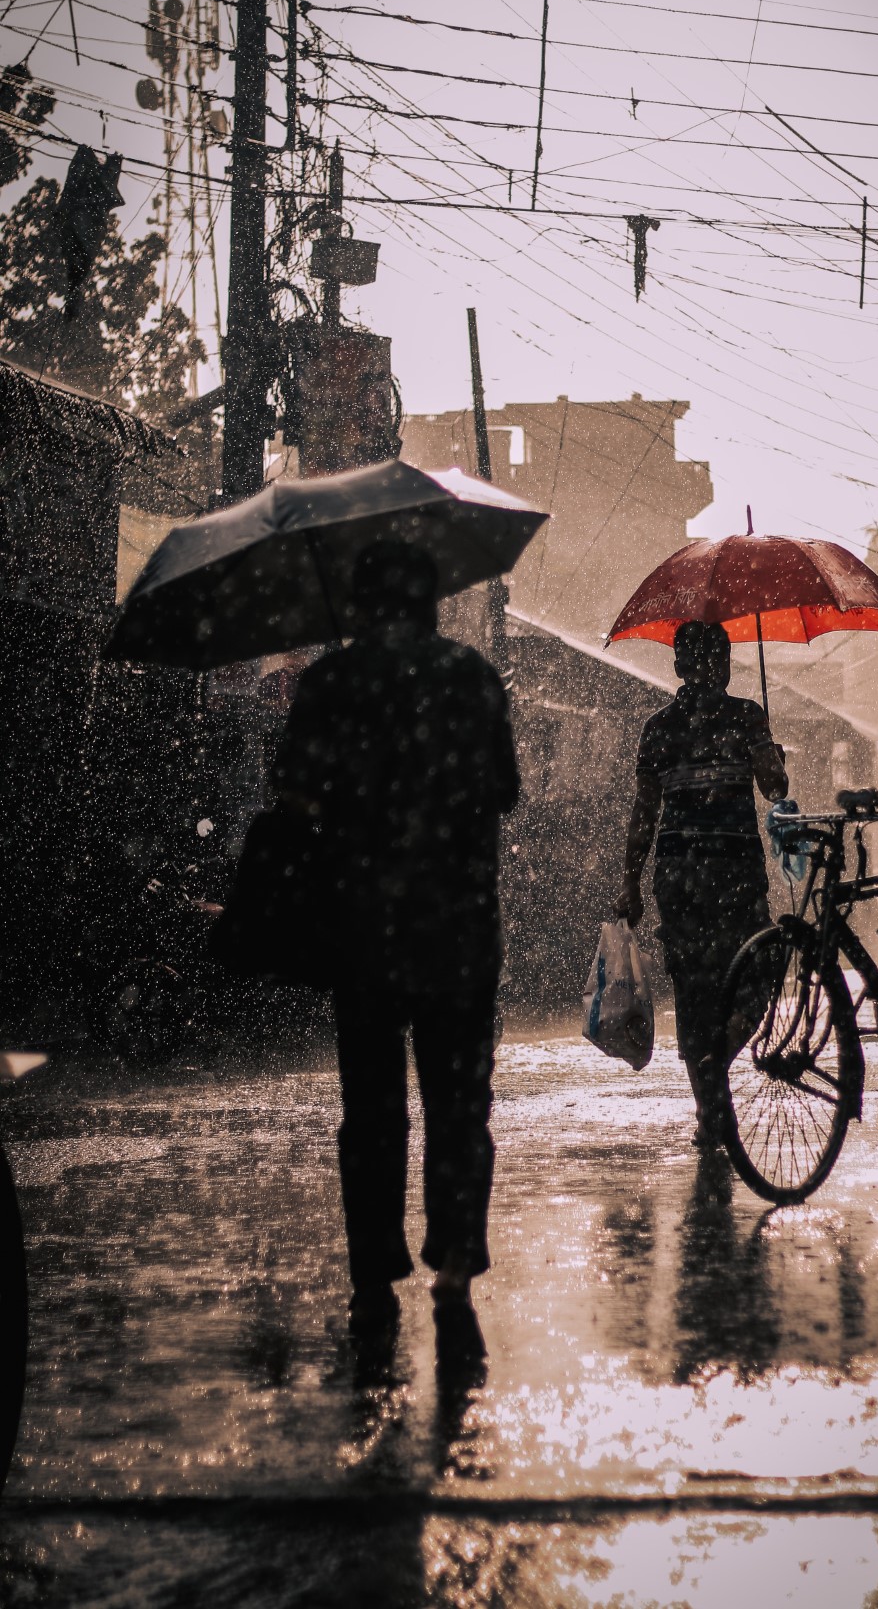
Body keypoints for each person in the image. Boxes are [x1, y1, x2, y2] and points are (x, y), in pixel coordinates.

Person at [273, 540, 520, 1337]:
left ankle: (374, 1264)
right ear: (430, 600)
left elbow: (296, 798)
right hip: (458, 928)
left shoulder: (329, 683)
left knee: (372, 1108)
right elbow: (506, 792)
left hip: (363, 929)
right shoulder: (473, 678)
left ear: (363, 601)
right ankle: (453, 1259)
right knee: (458, 1104)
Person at [616, 620, 788, 1145]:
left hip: (678, 876)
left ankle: (711, 1107)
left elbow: (644, 814)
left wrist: (631, 882)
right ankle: (717, 1072)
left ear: (678, 666)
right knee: (757, 977)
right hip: (734, 873)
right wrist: (772, 755)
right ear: (724, 662)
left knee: (694, 991)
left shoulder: (658, 728)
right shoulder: (746, 716)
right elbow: (776, 790)